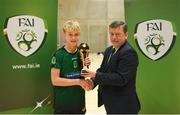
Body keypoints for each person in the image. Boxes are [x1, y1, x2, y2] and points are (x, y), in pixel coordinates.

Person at [82, 21, 141, 114]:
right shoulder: (109, 50)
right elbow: (103, 70)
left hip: (124, 106)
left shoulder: (129, 53)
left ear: (126, 34)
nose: (114, 37)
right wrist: (92, 82)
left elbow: (121, 79)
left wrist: (95, 74)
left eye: (117, 34)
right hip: (111, 104)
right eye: (112, 34)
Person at [50, 20, 91, 114]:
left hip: (79, 103)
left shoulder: (81, 53)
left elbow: (84, 77)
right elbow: (55, 80)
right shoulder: (59, 55)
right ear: (65, 34)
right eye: (70, 34)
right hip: (63, 105)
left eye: (76, 34)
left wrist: (86, 65)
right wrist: (78, 81)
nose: (73, 37)